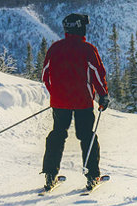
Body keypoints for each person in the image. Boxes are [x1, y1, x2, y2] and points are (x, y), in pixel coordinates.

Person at [41, 13, 110, 191]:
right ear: (81, 28)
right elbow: (97, 74)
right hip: (83, 102)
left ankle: (50, 175)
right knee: (87, 135)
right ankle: (92, 176)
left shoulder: (55, 48)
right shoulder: (87, 49)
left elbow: (45, 76)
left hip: (59, 103)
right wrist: (103, 96)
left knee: (57, 134)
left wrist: (56, 94)